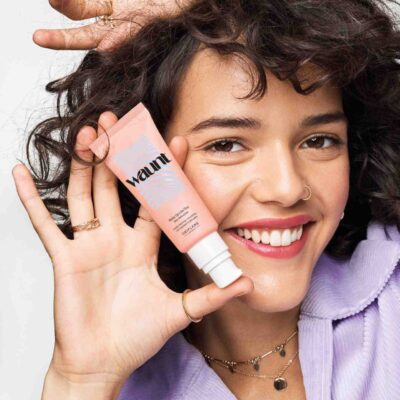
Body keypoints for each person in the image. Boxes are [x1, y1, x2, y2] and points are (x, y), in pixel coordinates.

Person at [11, 0, 400, 399]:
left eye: (318, 141)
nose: (286, 188)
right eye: (226, 145)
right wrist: (80, 383)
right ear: (149, 165)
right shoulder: (118, 381)